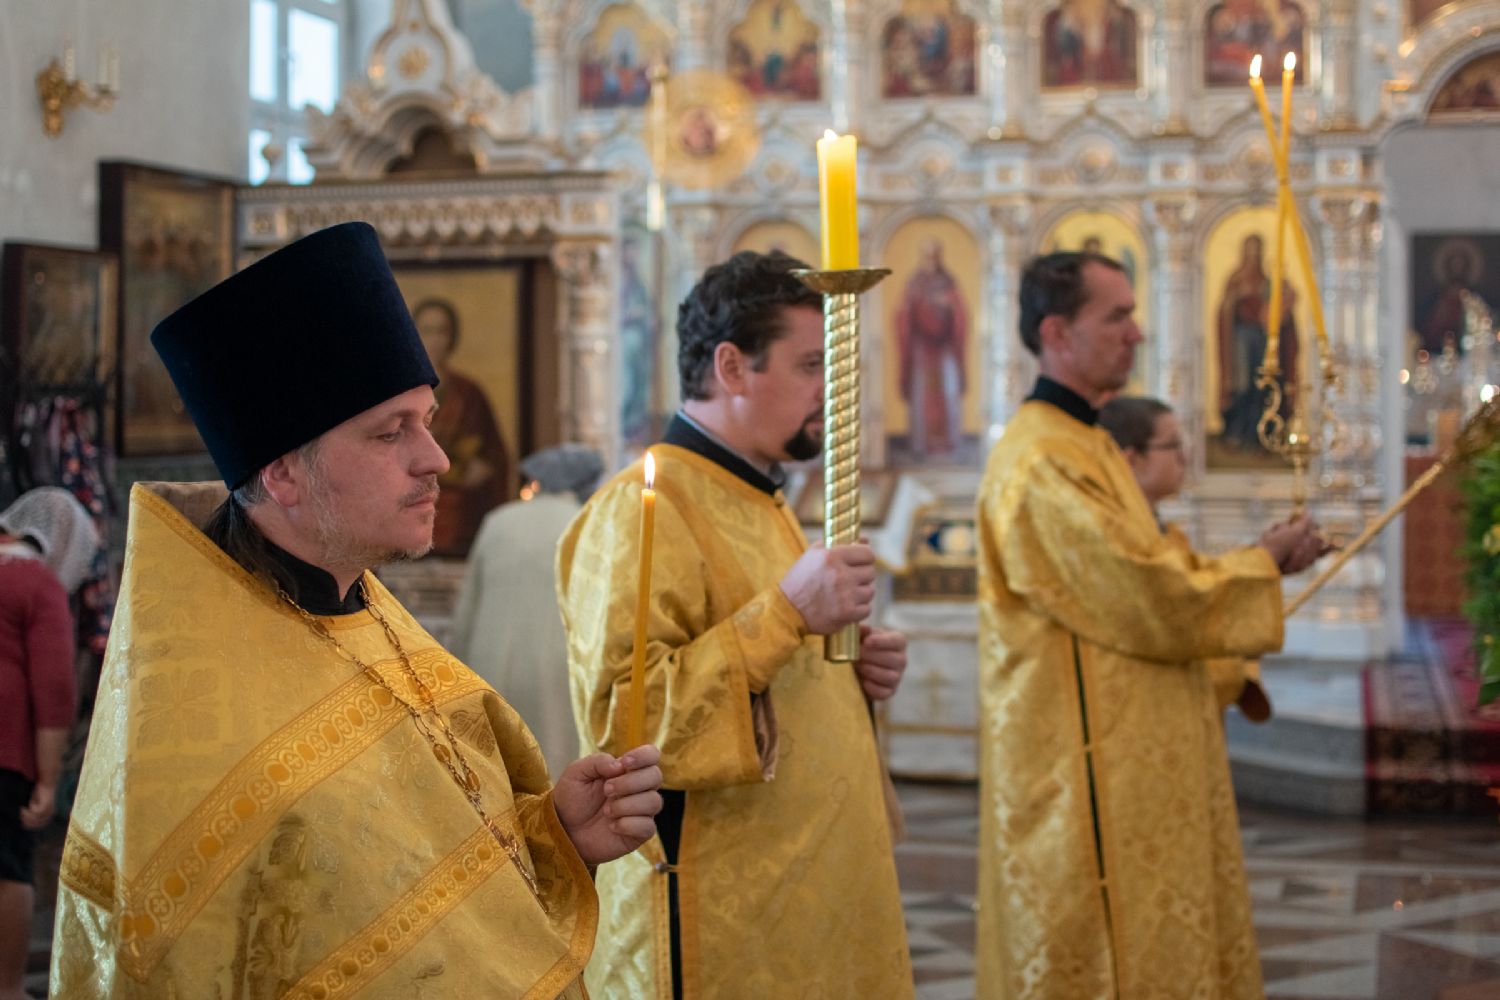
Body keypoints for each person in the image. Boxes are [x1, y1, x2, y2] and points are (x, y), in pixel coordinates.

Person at [50, 222, 663, 998]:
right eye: (390, 432)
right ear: (282, 475)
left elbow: (427, 873)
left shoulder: (368, 613)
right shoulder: (189, 715)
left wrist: (556, 837)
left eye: (427, 421)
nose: (436, 459)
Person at [557, 251, 914, 998]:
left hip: (807, 894)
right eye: (811, 364)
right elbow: (624, 724)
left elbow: (767, 667)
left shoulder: (759, 496)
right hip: (717, 920)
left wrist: (849, 672)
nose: (832, 390)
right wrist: (787, 614)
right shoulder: (643, 507)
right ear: (731, 366)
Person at [975, 251, 1326, 1000]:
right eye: (1118, 317)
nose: (1137, 333)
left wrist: (1256, 564)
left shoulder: (1089, 442)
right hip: (1085, 781)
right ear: (1057, 333)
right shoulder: (1041, 461)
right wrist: (1259, 564)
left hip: (1132, 765)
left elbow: (1146, 569)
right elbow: (1140, 595)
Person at [1099, 396, 1273, 723]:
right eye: (1173, 445)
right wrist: (1240, 641)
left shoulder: (1169, 537)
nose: (1185, 457)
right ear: (1131, 460)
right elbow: (1173, 642)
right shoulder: (1124, 547)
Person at [450, 444, 605, 777]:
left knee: (492, 773)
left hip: (489, 661)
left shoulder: (498, 520)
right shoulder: (587, 523)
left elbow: (467, 610)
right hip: (557, 669)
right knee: (554, 771)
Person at [0, 489, 98, 1000]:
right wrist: (47, 780)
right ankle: (9, 988)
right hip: (5, 753)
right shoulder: (35, 584)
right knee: (7, 869)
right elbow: (54, 689)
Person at [411, 298, 512, 556]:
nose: (435, 339)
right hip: (413, 505)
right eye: (427, 330)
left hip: (461, 516)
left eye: (442, 331)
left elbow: (496, 456)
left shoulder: (469, 394)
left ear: (452, 337)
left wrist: (483, 468)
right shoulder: (401, 392)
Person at [1217, 232, 1298, 452]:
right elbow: (1224, 311)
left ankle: (1263, 437)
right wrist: (1239, 295)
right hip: (1241, 341)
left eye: (1257, 251)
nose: (1253, 256)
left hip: (1264, 341)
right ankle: (1239, 432)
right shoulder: (1235, 280)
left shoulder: (1270, 282)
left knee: (1265, 387)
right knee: (1243, 386)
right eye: (1250, 251)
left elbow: (1284, 314)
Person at [896, 240, 968, 459]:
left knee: (947, 392)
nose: (931, 260)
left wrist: (948, 306)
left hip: (944, 349)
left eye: (934, 255)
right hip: (921, 350)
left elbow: (960, 314)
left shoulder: (948, 282)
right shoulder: (915, 283)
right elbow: (903, 314)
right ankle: (921, 443)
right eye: (927, 256)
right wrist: (919, 307)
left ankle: (948, 443)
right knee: (922, 395)